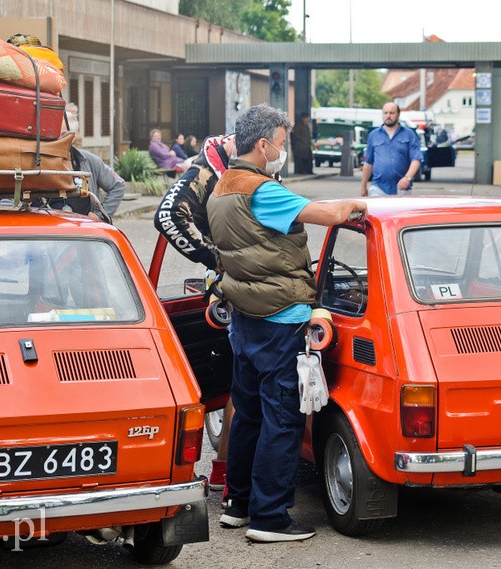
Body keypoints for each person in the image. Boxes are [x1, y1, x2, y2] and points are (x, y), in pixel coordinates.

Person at [208, 103, 366, 543]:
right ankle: (270, 518)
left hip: (245, 318)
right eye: (280, 143)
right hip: (281, 319)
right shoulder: (262, 191)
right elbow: (329, 214)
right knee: (282, 419)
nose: (282, 151)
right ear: (262, 145)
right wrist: (359, 201)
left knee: (249, 416)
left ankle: (237, 505)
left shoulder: (221, 187)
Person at [154, 133, 238, 493]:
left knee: (238, 380)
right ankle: (221, 470)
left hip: (252, 283)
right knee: (238, 381)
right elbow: (168, 216)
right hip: (230, 288)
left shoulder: (244, 166)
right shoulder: (207, 168)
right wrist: (216, 259)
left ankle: (224, 468)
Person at [46, 108, 125, 220]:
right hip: (48, 231)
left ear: (72, 138)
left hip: (83, 231)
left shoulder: (88, 160)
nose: (54, 140)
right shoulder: (37, 161)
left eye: (60, 135)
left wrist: (100, 215)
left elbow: (118, 185)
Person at [361, 102, 423, 197]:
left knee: (401, 212)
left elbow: (416, 159)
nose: (388, 116)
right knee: (378, 212)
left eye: (391, 113)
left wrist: (407, 178)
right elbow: (368, 163)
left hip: (402, 188)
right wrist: (363, 186)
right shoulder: (374, 135)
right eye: (385, 113)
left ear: (398, 114)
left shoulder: (409, 134)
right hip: (378, 187)